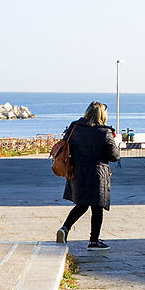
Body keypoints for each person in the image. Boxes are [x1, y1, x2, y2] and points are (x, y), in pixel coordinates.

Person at [57, 102, 120, 248]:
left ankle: (64, 229)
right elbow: (114, 156)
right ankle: (93, 240)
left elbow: (66, 144)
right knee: (97, 207)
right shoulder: (105, 132)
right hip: (98, 173)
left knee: (82, 204)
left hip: (77, 172)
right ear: (102, 115)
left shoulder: (75, 127)